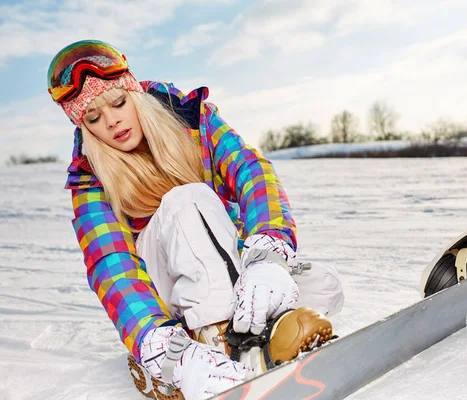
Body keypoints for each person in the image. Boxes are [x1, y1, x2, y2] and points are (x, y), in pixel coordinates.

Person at [47, 40, 344, 400]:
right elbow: (112, 266)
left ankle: (251, 342)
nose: (111, 121)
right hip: (168, 293)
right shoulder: (90, 179)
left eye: (118, 103)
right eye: (93, 118)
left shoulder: (190, 118)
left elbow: (251, 172)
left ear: (134, 92)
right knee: (188, 199)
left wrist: (268, 259)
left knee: (322, 285)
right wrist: (152, 336)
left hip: (218, 268)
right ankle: (213, 351)